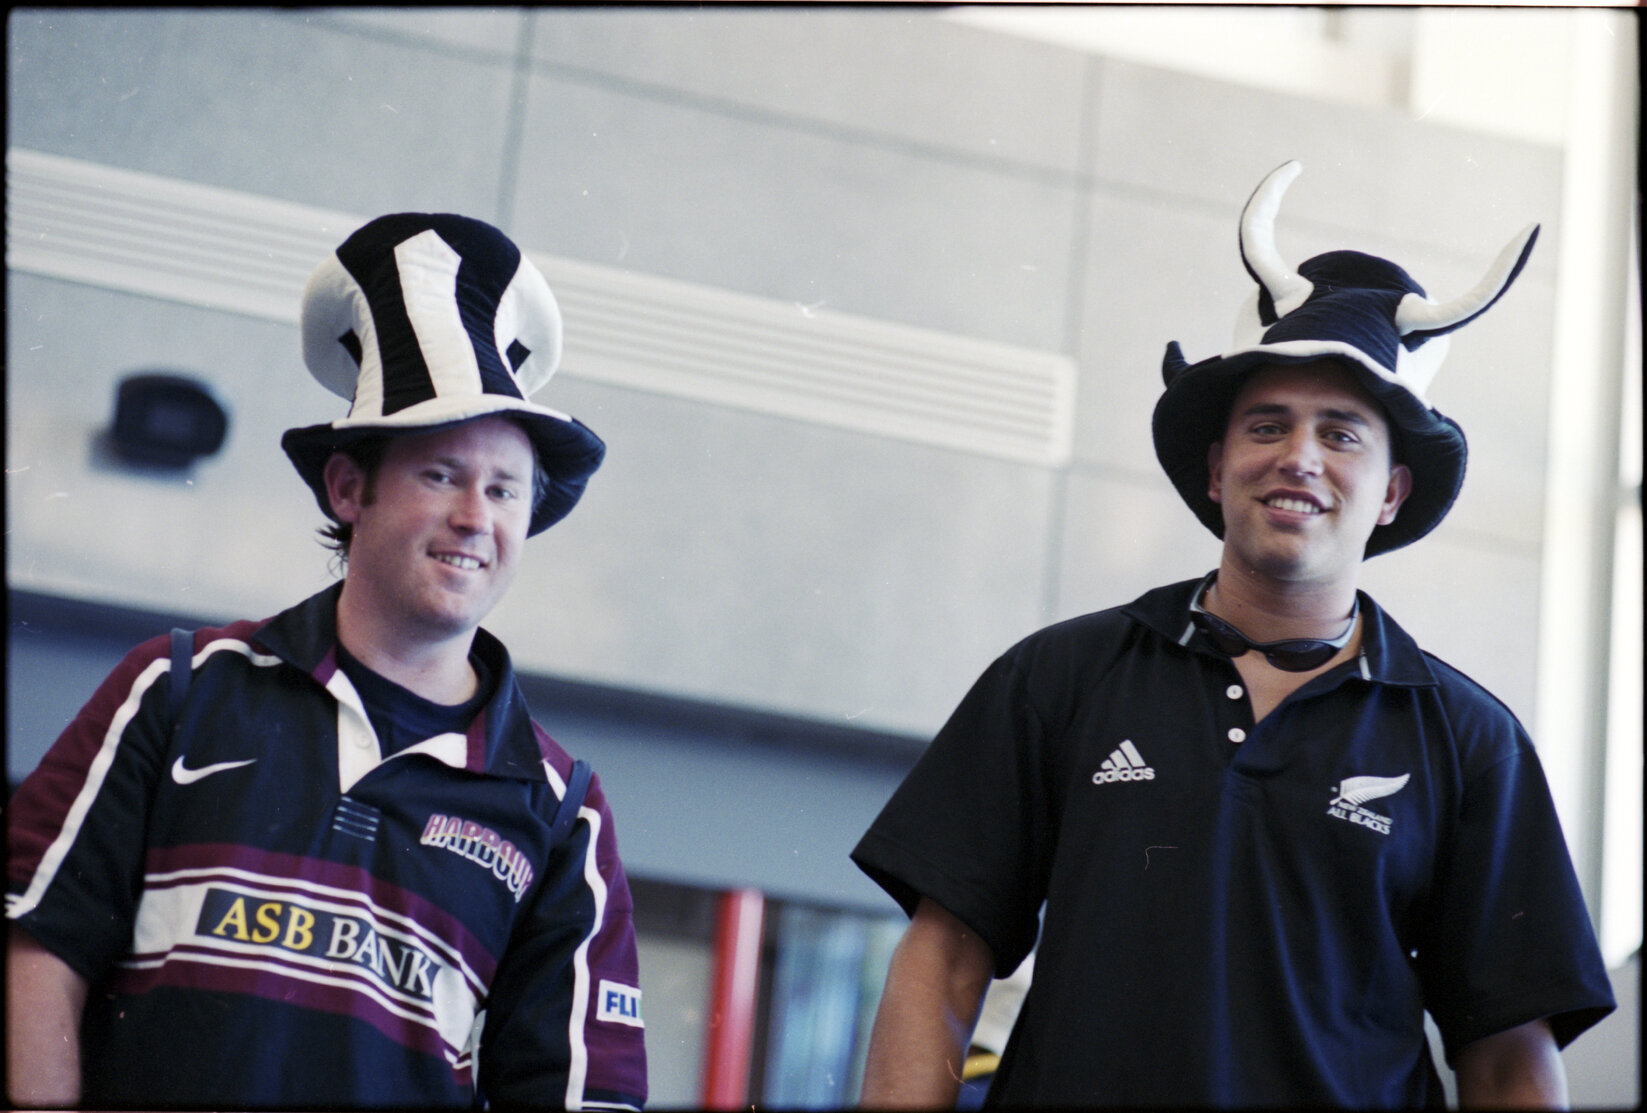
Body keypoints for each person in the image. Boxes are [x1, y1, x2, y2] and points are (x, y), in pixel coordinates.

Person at [851, 162, 1616, 1108]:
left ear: (1389, 492)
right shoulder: (1058, 675)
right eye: (1267, 425)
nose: (1297, 456)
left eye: (1341, 434)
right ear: (1217, 468)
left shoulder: (1470, 742)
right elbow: (942, 961)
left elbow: (1508, 1057)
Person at [6, 213, 648, 1109]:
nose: (478, 515)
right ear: (349, 488)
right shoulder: (178, 690)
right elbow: (36, 950)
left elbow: (580, 1094)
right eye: (440, 474)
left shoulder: (558, 813)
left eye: (505, 489)